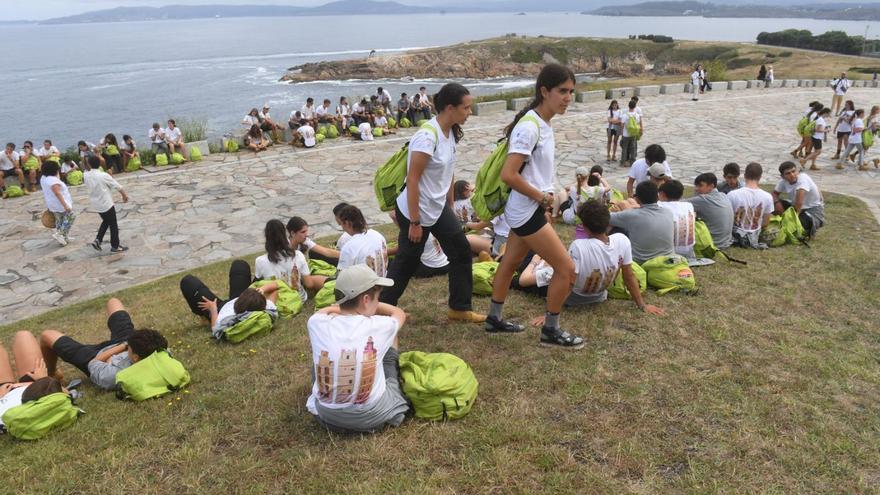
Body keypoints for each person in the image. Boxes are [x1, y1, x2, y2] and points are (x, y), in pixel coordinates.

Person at [484, 64, 585, 349]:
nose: (568, 97)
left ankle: (494, 318)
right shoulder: (529, 127)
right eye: (562, 91)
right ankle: (551, 331)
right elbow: (509, 174)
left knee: (511, 262)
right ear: (544, 91)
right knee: (566, 268)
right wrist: (542, 199)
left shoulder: (542, 123)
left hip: (526, 209)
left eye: (571, 92)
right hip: (525, 209)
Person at [379, 82, 485, 324]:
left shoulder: (450, 131)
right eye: (466, 108)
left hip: (436, 209)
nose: (469, 112)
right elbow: (413, 180)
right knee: (407, 261)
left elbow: (448, 171)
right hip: (415, 211)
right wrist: (415, 222)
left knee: (460, 252)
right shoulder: (427, 136)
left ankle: (459, 308)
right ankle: (382, 309)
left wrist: (450, 204)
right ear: (450, 108)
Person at [306, 264, 409, 433]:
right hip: (371, 416)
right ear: (366, 300)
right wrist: (374, 310)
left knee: (324, 359)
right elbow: (398, 313)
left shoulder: (316, 322)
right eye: (377, 298)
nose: (378, 303)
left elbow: (325, 311)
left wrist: (337, 308)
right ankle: (391, 411)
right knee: (389, 350)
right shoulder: (380, 325)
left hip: (327, 416)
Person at [39, 298, 167, 390]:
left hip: (93, 356)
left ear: (135, 358)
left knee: (47, 336)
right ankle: (126, 342)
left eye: (130, 348)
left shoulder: (112, 376)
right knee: (113, 302)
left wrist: (123, 347)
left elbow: (93, 363)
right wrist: (126, 345)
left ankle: (52, 373)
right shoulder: (159, 351)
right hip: (124, 342)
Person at [569, 200, 665, 313]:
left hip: (573, 298)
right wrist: (642, 305)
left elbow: (568, 281)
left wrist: (551, 314)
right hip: (600, 296)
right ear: (608, 222)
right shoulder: (622, 240)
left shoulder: (578, 246)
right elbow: (629, 277)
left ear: (584, 226)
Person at [180, 260, 279, 337]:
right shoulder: (266, 309)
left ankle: (204, 317)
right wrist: (261, 290)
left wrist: (213, 310)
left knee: (188, 282)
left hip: (219, 309)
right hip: (245, 301)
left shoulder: (227, 318)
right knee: (239, 265)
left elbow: (215, 330)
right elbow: (275, 287)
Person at [1, 332, 64, 430]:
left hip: (6, 393)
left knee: (23, 335)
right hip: (39, 387)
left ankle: (52, 375)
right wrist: (43, 379)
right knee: (23, 335)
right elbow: (66, 396)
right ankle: (52, 374)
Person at [255, 219, 326, 301]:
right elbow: (309, 284)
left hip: (277, 301)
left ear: (267, 237)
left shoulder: (260, 261)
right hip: (298, 299)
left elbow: (259, 282)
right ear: (285, 234)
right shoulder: (298, 255)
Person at [610, 181, 675, 264]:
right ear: (657, 197)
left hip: (640, 262)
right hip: (667, 259)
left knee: (615, 227)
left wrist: (616, 210)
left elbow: (604, 218)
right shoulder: (668, 212)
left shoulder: (631, 215)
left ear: (637, 199)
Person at [81, 155, 129, 252]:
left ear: (89, 164)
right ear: (99, 164)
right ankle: (115, 246)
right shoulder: (103, 175)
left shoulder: (85, 175)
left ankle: (98, 240)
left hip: (96, 204)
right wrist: (124, 196)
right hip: (106, 204)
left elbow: (84, 165)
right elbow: (117, 186)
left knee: (106, 221)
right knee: (113, 224)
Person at [728, 162, 773, 248]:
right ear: (760, 177)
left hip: (735, 235)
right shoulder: (768, 197)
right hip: (754, 235)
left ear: (744, 176)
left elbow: (727, 219)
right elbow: (766, 223)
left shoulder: (732, 194)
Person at [773, 161, 825, 237]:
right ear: (782, 176)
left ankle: (808, 228)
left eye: (793, 171)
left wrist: (791, 221)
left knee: (796, 229)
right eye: (788, 173)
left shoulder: (803, 179)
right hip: (795, 207)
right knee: (772, 204)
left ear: (797, 171)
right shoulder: (783, 181)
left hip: (812, 211)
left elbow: (799, 203)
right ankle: (783, 224)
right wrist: (777, 203)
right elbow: (774, 194)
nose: (792, 175)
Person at [336, 205, 389, 276]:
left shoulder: (348, 247)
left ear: (348, 223)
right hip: (383, 280)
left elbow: (341, 277)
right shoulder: (378, 235)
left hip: (364, 285)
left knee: (316, 280)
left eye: (342, 224)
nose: (342, 228)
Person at [684, 172, 733, 249]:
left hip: (712, 244)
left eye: (700, 186)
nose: (696, 188)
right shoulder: (724, 196)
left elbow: (677, 205)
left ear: (711, 186)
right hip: (726, 242)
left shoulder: (704, 200)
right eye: (696, 186)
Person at [657, 180, 696, 259]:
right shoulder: (689, 205)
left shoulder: (660, 205)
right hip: (688, 251)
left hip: (669, 253)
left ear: (662, 194)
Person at [40, 161, 76, 246]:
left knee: (60, 221)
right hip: (60, 205)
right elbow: (57, 193)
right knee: (71, 216)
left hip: (52, 204)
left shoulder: (43, 178)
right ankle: (60, 234)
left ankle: (64, 238)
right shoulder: (53, 181)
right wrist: (65, 205)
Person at [619, 99, 642, 167]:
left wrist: (621, 133)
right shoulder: (637, 115)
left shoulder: (625, 115)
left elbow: (622, 125)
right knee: (633, 148)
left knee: (624, 148)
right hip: (633, 134)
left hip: (626, 134)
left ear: (628, 106)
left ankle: (623, 161)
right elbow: (638, 123)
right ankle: (632, 161)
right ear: (635, 107)